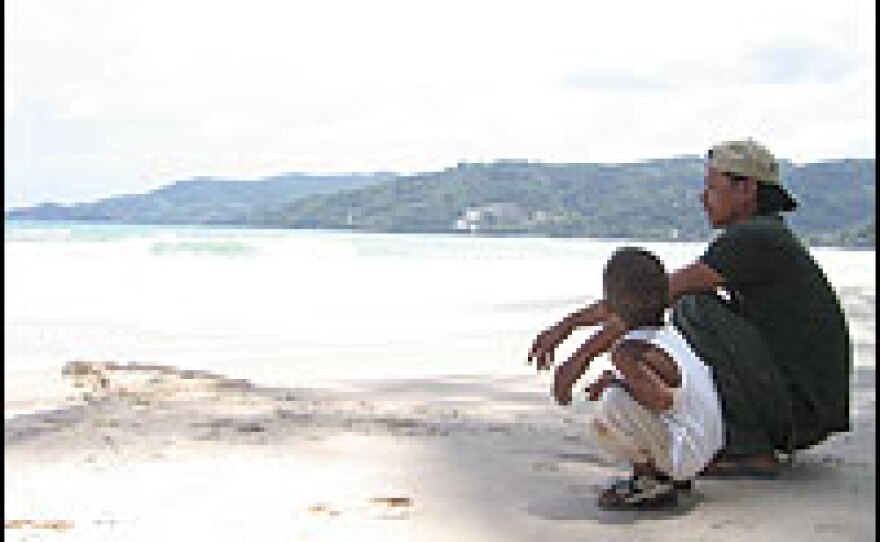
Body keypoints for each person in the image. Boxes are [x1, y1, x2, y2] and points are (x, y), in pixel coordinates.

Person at [529, 138, 851, 478]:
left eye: (712, 187)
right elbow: (642, 297)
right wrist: (570, 326)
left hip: (802, 409)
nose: (703, 197)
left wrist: (581, 353)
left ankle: (749, 450)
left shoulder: (755, 238)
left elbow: (650, 297)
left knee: (693, 308)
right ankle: (735, 437)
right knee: (688, 313)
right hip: (801, 401)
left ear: (746, 190)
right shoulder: (762, 234)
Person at [560, 247, 724, 509]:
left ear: (610, 305)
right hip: (707, 445)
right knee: (623, 394)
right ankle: (671, 473)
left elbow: (661, 400)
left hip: (687, 453)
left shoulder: (627, 352)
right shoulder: (670, 336)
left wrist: (617, 383)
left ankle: (651, 481)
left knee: (613, 403)